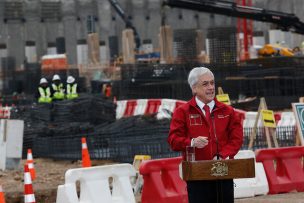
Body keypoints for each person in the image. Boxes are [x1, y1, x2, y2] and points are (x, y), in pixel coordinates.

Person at [167, 67, 243, 203]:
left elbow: (236, 139)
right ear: (194, 88)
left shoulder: (228, 111)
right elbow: (173, 140)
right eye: (205, 84)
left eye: (212, 83)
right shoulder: (182, 112)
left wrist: (222, 154)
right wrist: (191, 142)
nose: (210, 87)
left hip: (223, 173)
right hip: (197, 176)